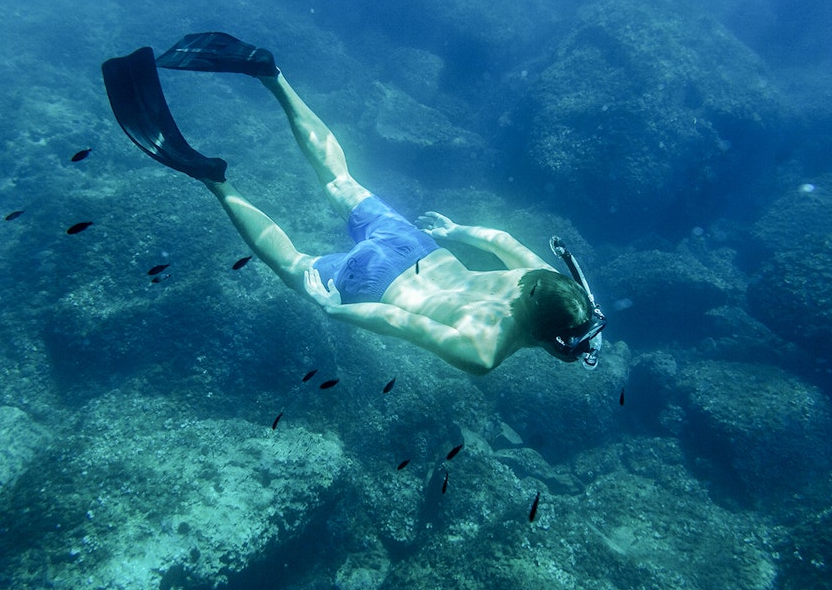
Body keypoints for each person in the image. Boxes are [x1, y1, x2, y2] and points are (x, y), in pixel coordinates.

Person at [101, 33, 606, 374]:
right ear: (549, 342)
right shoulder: (485, 350)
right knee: (294, 264)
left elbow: (502, 240)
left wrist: (452, 231)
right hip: (376, 286)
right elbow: (400, 321)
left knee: (339, 179)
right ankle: (215, 181)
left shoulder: (545, 278)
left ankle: (270, 75)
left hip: (418, 248)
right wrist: (333, 311)